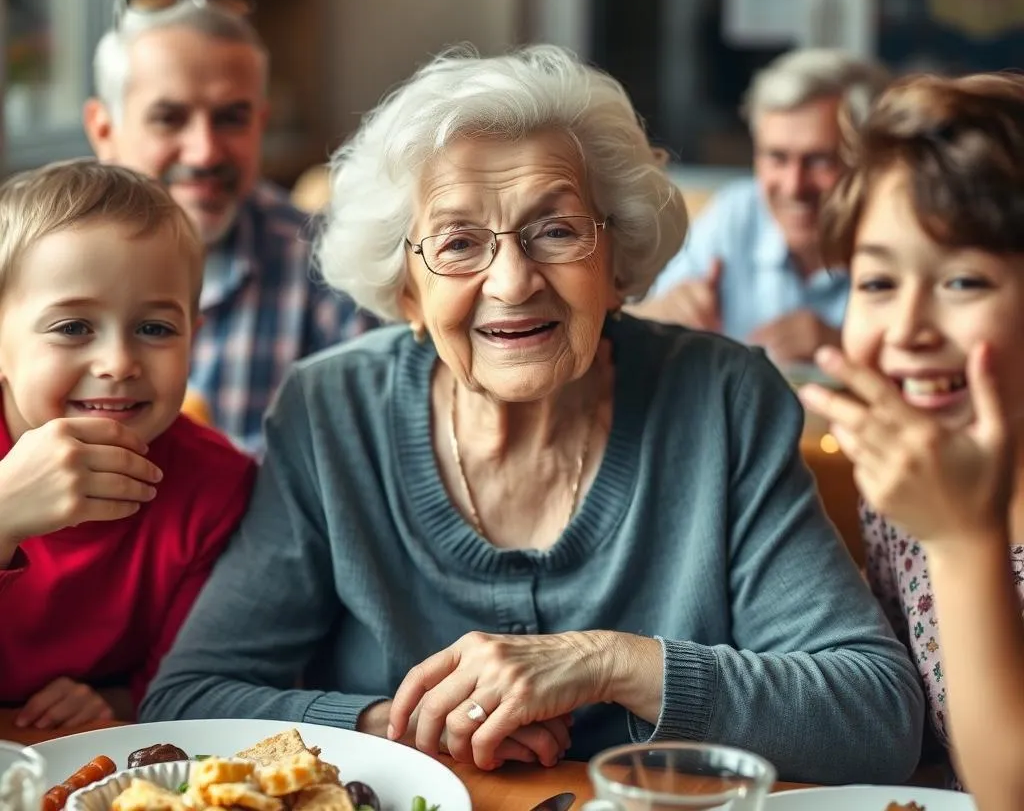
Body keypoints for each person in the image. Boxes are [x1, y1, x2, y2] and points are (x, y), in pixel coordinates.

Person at [141, 45, 923, 782]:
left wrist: (609, 662)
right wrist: (395, 725)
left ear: (617, 264)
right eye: (458, 243)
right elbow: (189, 701)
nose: (513, 281)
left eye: (556, 230)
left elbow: (875, 716)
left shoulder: (721, 400)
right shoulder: (332, 412)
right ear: (405, 291)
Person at [800, 72, 1024, 808]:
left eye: (963, 281)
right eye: (877, 283)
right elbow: (921, 739)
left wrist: (964, 539)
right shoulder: (906, 481)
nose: (907, 332)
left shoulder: (935, 502)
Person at [0, 159, 255, 728]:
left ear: (195, 336)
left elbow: (193, 676)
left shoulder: (219, 487)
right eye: (72, 328)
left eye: (156, 329)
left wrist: (119, 701)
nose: (117, 364)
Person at [83, 0, 372, 455]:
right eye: (169, 119)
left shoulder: (331, 268)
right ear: (103, 130)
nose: (205, 151)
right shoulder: (34, 268)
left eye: (231, 119)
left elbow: (354, 465)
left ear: (261, 123)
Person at [633, 49, 889, 364]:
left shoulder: (896, 232)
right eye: (777, 158)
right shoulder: (737, 214)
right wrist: (659, 317)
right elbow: (629, 325)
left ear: (869, 162)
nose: (794, 186)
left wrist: (841, 345)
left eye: (819, 160)